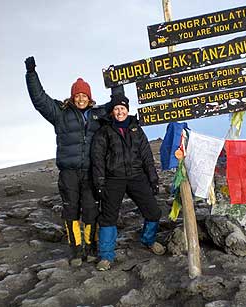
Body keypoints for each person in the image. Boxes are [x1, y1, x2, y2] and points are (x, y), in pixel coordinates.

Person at [25, 56, 112, 267]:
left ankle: (90, 248)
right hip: (68, 173)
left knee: (91, 211)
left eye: (84, 95)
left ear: (89, 97)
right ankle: (75, 250)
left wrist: (116, 83)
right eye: (77, 95)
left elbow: (117, 105)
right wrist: (31, 74)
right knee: (71, 211)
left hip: (91, 172)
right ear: (73, 97)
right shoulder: (60, 113)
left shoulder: (99, 114)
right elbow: (40, 100)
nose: (81, 98)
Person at [91, 95, 165, 271]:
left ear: (127, 110)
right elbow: (98, 160)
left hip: (137, 176)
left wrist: (153, 179)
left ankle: (148, 240)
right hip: (113, 179)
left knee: (153, 211)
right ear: (112, 111)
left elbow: (147, 156)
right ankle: (106, 256)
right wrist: (100, 183)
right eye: (116, 109)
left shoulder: (136, 129)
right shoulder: (104, 131)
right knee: (108, 217)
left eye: (122, 108)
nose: (120, 111)